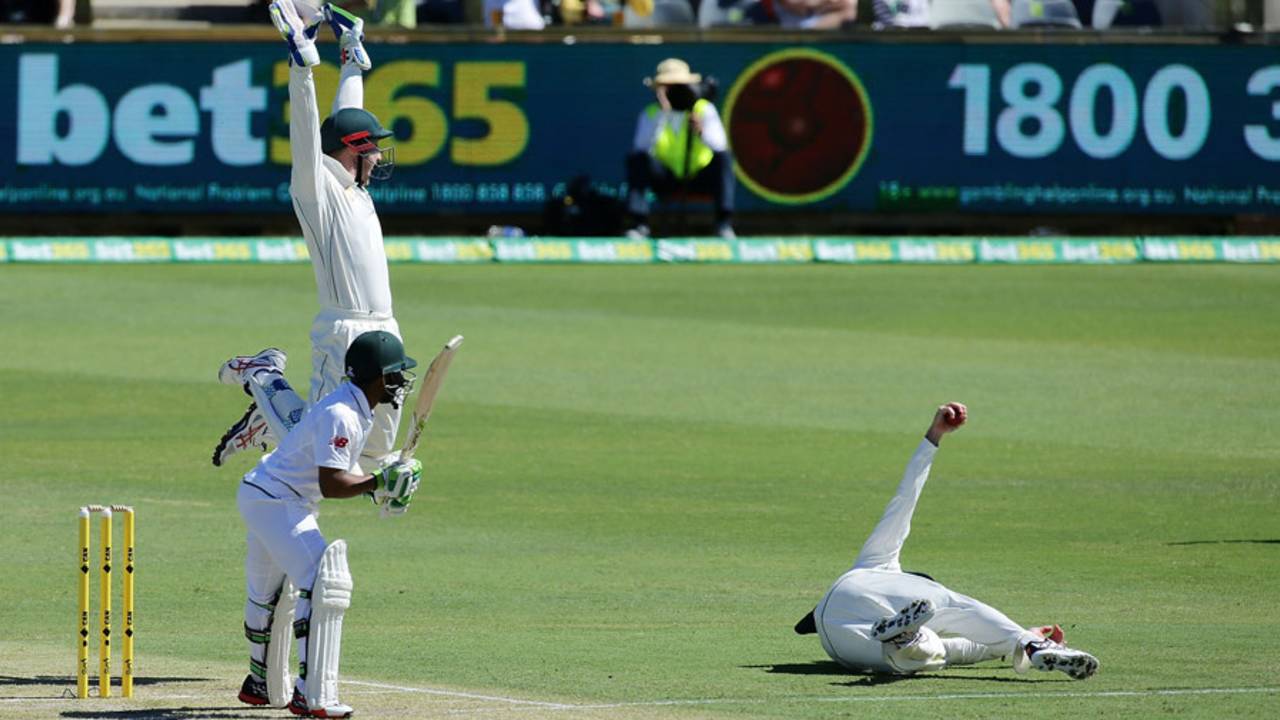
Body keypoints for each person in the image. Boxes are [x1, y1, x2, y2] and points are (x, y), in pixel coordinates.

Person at [213, 0, 408, 480]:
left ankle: (270, 418)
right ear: (353, 151)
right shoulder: (316, 189)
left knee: (375, 454)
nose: (380, 158)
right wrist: (302, 65)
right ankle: (263, 377)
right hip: (342, 334)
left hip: (387, 330)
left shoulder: (357, 188)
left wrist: (351, 55)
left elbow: (348, 115)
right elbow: (309, 131)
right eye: (373, 149)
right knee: (315, 445)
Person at [794, 402, 1100, 680]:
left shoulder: (868, 569)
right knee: (940, 635)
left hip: (845, 637)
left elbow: (904, 499)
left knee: (927, 652)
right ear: (909, 579)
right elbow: (970, 648)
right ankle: (1028, 645)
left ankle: (909, 638)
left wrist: (933, 437)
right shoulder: (881, 564)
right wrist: (1017, 639)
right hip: (857, 649)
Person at [234, 330, 423, 718]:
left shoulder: (355, 407)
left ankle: (260, 683)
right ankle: (311, 694)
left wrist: (379, 487)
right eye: (395, 375)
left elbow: (340, 471)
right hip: (278, 500)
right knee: (326, 580)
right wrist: (376, 483)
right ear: (379, 377)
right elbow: (331, 484)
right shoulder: (343, 414)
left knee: (269, 593)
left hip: (266, 494)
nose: (401, 382)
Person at [625, 58, 736, 241]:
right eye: (668, 87)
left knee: (724, 159)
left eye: (679, 86)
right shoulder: (651, 113)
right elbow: (641, 148)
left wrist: (702, 132)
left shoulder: (704, 109)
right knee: (637, 160)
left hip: (698, 175)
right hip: (666, 177)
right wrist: (663, 114)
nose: (674, 92)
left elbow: (720, 147)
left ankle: (724, 224)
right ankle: (639, 224)